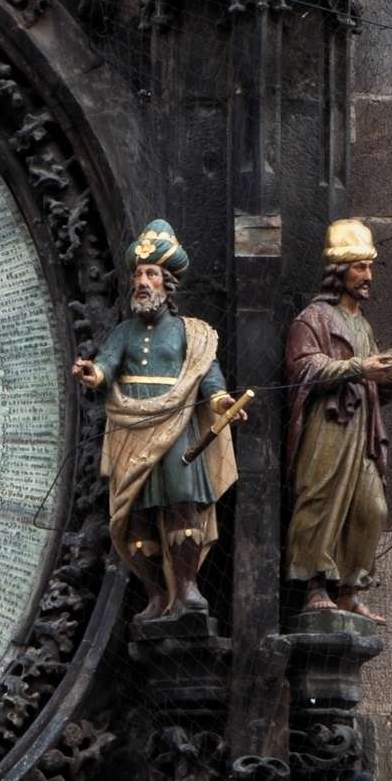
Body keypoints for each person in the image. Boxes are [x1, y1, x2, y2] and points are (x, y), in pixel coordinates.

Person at [72, 221, 242, 617]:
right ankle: (154, 594)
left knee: (183, 507)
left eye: (150, 274)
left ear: (167, 284)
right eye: (137, 275)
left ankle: (186, 589)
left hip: (179, 431)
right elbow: (105, 367)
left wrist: (220, 402)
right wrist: (90, 374)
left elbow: (207, 375)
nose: (142, 282)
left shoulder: (190, 333)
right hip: (133, 429)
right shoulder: (124, 333)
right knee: (138, 516)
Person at [283, 216, 392, 615]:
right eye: (360, 267)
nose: (368, 275)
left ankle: (349, 589)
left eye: (370, 266)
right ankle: (315, 586)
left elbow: (376, 383)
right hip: (329, 426)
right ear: (340, 272)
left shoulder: (363, 325)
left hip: (363, 429)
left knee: (371, 508)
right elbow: (302, 368)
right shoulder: (314, 319)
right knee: (321, 498)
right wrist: (358, 368)